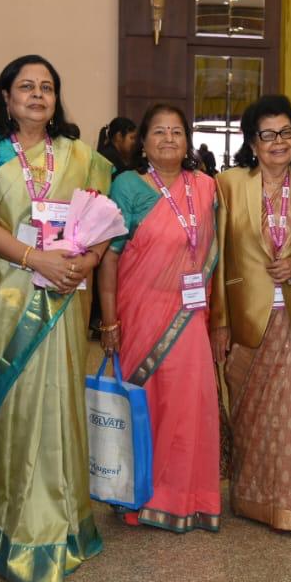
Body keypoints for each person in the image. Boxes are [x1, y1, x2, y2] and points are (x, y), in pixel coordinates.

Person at [0, 55, 114, 582]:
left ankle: (67, 525)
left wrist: (85, 264)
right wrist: (37, 260)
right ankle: (17, 531)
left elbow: (102, 223)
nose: (36, 95)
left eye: (46, 87)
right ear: (6, 97)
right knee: (18, 411)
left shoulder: (80, 155)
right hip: (13, 298)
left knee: (62, 406)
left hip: (66, 297)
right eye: (25, 86)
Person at [210, 95, 291, 531]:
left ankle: (289, 504)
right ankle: (250, 499)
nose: (278, 142)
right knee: (248, 415)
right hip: (246, 318)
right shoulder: (228, 185)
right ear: (252, 142)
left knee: (290, 418)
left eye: (286, 132)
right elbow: (219, 258)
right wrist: (220, 321)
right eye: (268, 135)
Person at [98, 103, 221, 532]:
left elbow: (215, 255)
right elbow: (109, 257)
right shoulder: (127, 186)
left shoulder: (205, 187)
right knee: (145, 402)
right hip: (140, 311)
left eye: (177, 132)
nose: (169, 139)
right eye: (159, 132)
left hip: (191, 315)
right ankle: (140, 496)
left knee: (190, 404)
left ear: (187, 142)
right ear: (143, 142)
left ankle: (187, 497)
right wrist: (109, 322)